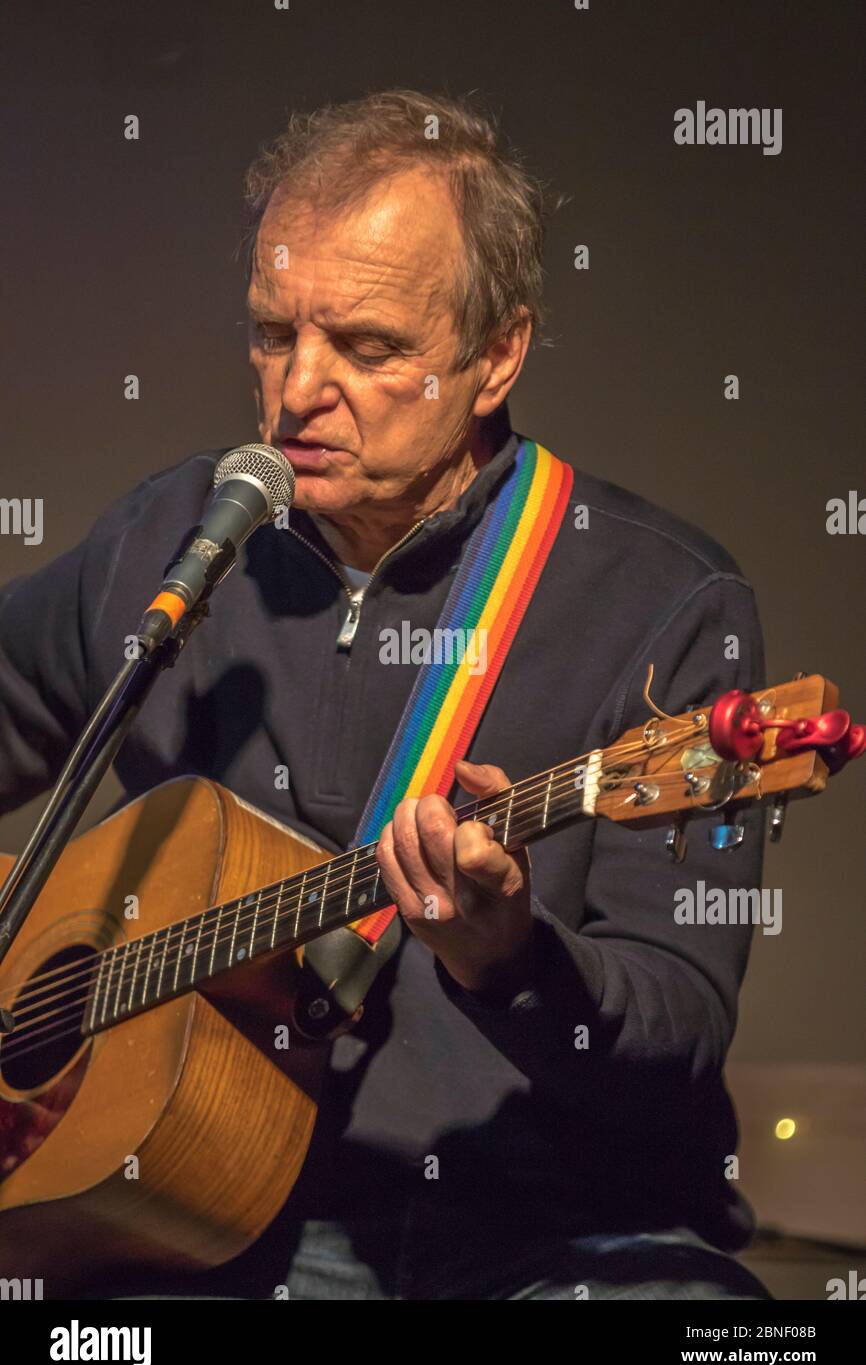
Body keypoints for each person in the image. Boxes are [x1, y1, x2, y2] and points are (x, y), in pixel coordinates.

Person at [0, 89, 771, 1300]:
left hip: (542, 1237)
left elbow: (674, 1029)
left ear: (495, 353)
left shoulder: (660, 604)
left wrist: (508, 959)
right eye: (270, 334)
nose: (297, 388)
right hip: (188, 1223)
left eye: (364, 347)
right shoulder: (172, 532)